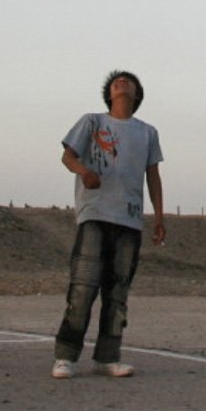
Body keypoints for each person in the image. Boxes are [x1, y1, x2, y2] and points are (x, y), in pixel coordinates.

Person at [52, 70, 167, 378]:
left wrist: (158, 215)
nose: (121, 83)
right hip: (94, 215)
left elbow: (152, 176)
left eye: (128, 81)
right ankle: (66, 356)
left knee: (117, 293)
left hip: (129, 219)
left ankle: (107, 356)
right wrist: (83, 170)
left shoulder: (147, 133)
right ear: (109, 94)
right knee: (82, 288)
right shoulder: (92, 122)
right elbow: (67, 156)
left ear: (137, 94)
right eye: (116, 82)